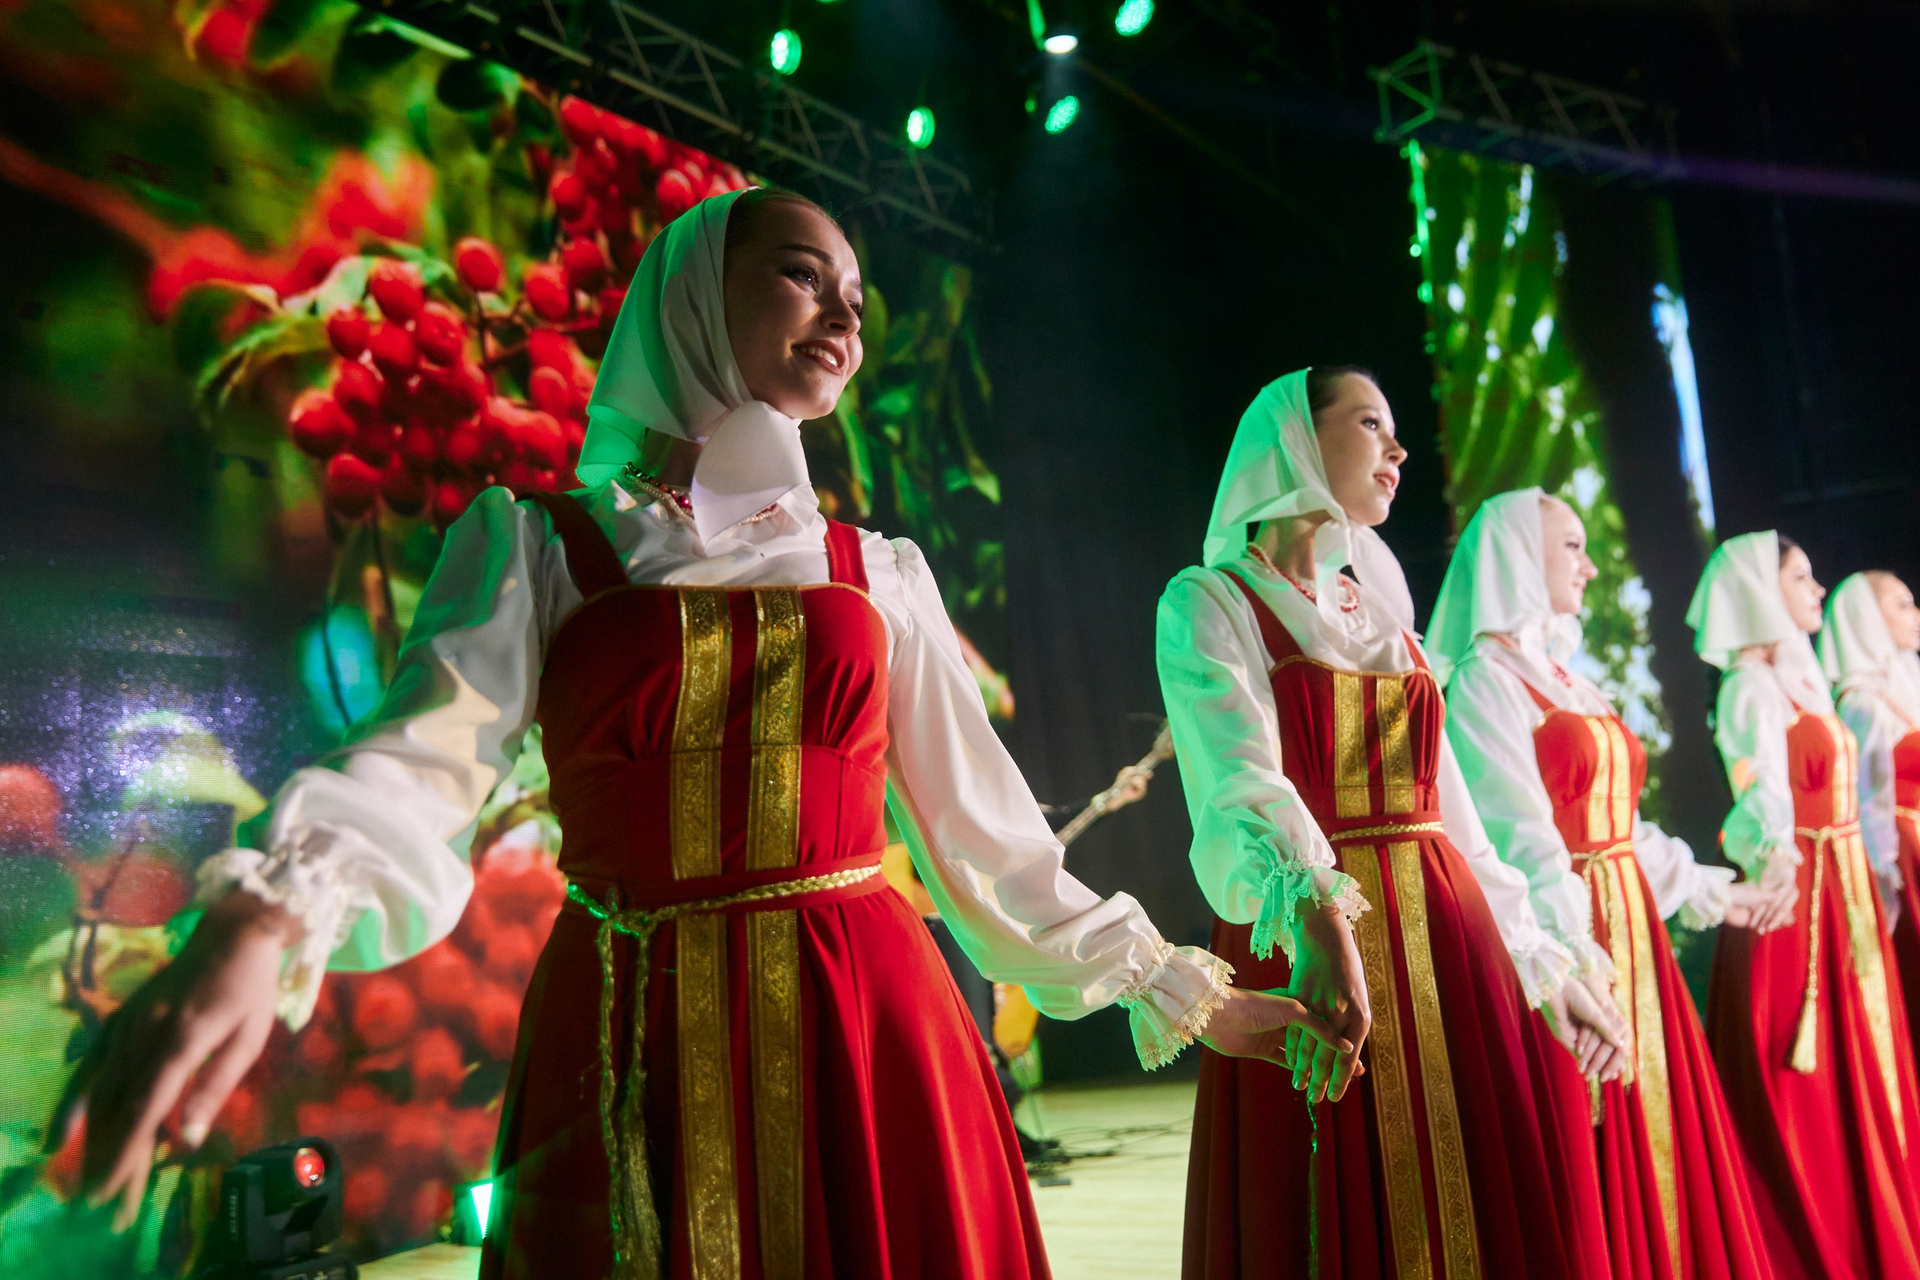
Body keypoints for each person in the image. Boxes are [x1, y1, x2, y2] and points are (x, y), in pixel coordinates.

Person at [66, 188, 1345, 1277]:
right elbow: (422, 760)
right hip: (628, 1037)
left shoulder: (878, 573)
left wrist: (1181, 986)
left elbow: (990, 842)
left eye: (857, 294)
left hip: (864, 1031)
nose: (844, 314)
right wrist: (265, 917)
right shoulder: (542, 544)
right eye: (802, 275)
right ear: (692, 295)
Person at [1159, 369, 1625, 1280]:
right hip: (1309, 931)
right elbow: (1239, 779)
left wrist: (1540, 962)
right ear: (1295, 438)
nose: (1399, 449)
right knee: (1332, 1193)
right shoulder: (1211, 601)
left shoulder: (1386, 619)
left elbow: (1458, 818)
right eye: (1371, 423)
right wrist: (1319, 920)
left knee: (1477, 1185)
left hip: (1448, 932)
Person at [1432, 488, 1775, 1279]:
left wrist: (1713, 889)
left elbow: (1621, 827)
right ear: (1521, 556)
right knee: (1593, 1140)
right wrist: (1574, 957)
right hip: (1573, 932)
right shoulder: (1484, 681)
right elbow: (1521, 835)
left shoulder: (1564, 678)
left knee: (1661, 1131)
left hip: (1632, 927)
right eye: (1571, 548)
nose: (1588, 567)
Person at [1691, 531, 1920, 1277]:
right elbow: (1758, 792)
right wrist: (1778, 863)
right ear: (1763, 591)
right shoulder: (1748, 688)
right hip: (1803, 900)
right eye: (1801, 577)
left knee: (1867, 1059)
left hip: (1844, 887)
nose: (1817, 589)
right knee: (1808, 1080)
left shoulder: (1797, 680)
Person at [1822, 571, 1920, 1057]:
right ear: (1867, 617)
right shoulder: (1861, 702)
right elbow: (1867, 796)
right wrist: (1883, 872)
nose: (1915, 615)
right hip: (1904, 852)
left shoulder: (1901, 686)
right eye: (1902, 604)